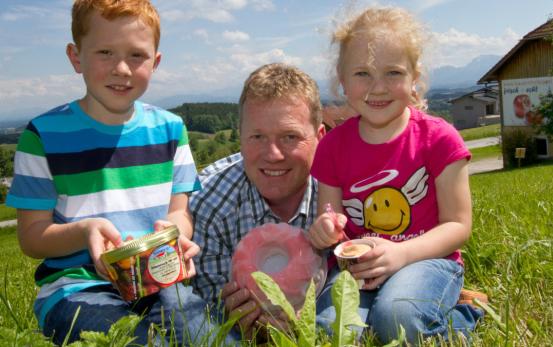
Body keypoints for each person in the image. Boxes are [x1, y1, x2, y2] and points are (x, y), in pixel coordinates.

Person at [5, 0, 222, 344]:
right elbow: (32, 237)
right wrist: (84, 231)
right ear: (76, 57)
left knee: (209, 338)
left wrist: (174, 232)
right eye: (105, 52)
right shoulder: (43, 135)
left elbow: (179, 212)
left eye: (136, 55)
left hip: (158, 277)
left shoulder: (170, 130)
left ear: (156, 61)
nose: (121, 68)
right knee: (133, 341)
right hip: (77, 287)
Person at [306, 6, 484, 344]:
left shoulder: (439, 138)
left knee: (397, 319)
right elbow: (332, 221)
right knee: (330, 330)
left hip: (429, 260)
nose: (378, 88)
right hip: (360, 269)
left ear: (414, 78)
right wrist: (325, 230)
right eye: (362, 74)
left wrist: (400, 254)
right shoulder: (331, 147)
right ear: (341, 81)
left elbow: (458, 226)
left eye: (393, 73)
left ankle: (463, 314)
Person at [190, 62, 325, 339]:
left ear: (319, 137)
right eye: (257, 137)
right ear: (240, 136)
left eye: (290, 137)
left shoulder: (342, 193)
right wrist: (227, 315)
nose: (273, 154)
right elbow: (206, 305)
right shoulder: (210, 202)